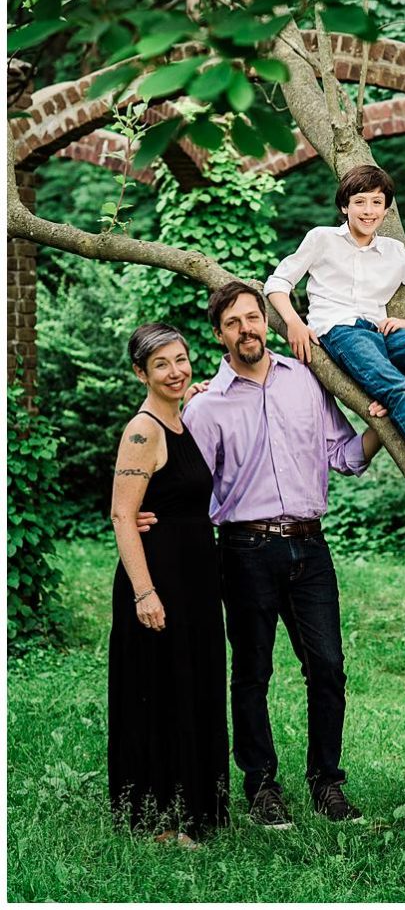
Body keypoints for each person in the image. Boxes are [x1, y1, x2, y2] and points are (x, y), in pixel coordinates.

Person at [175, 281, 385, 829]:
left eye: (254, 317)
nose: (247, 329)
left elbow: (344, 454)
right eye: (234, 323)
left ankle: (326, 783)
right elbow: (188, 488)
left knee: (329, 667)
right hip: (245, 550)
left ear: (266, 320)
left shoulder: (307, 382)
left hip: (311, 547)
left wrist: (386, 425)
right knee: (252, 671)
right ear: (218, 334)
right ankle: (261, 785)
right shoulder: (206, 407)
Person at [263, 163, 405, 501]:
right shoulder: (322, 239)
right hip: (341, 332)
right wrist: (295, 323)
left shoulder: (393, 251)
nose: (368, 211)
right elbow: (277, 283)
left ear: (386, 208)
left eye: (377, 202)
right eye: (360, 201)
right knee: (397, 387)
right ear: (344, 206)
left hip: (381, 334)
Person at [109, 323, 229, 847]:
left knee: (193, 685)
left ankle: (195, 804)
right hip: (159, 581)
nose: (176, 371)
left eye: (181, 360)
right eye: (161, 364)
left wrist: (195, 390)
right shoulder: (143, 431)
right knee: (159, 691)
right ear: (141, 373)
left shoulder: (177, 419)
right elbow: (121, 514)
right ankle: (158, 819)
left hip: (196, 580)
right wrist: (145, 592)